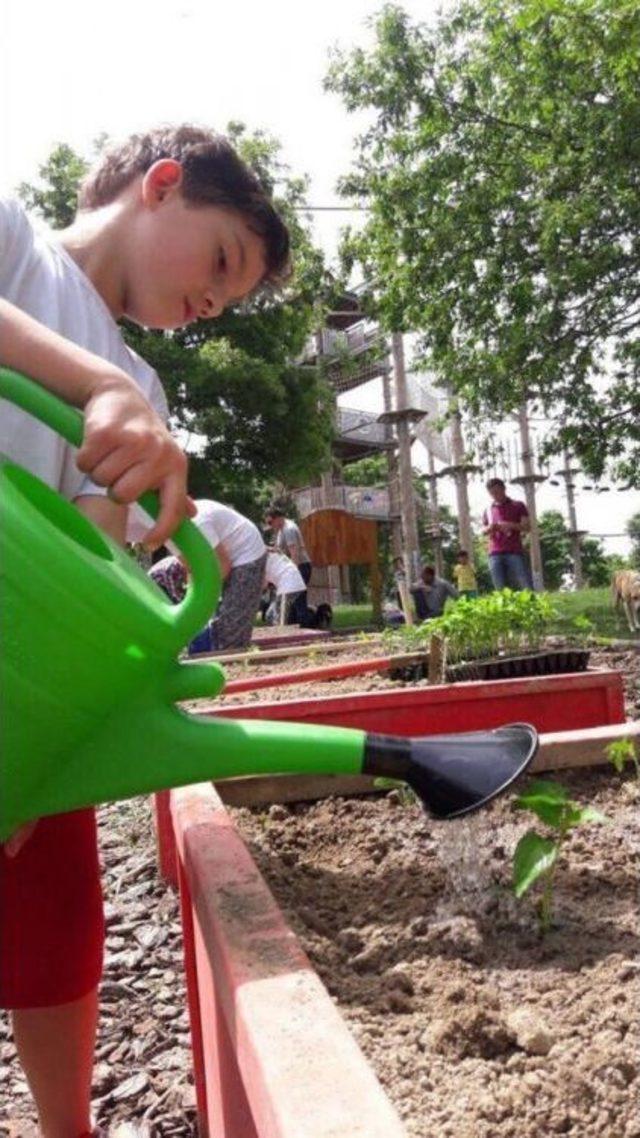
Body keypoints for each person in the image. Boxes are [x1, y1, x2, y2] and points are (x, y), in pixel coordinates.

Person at [0, 124, 290, 1138]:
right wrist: (97, 385)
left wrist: (40, 738)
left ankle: (65, 1125)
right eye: (220, 262)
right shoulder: (13, 241)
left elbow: (96, 559)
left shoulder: (146, 393)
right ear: (159, 186)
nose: (212, 304)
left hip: (20, 673)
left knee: (53, 904)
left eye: (229, 299)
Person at [264, 507, 312, 625]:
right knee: (293, 602)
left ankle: (305, 628)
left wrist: (293, 573)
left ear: (278, 518)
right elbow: (280, 550)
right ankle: (297, 628)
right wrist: (268, 549)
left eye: (270, 522)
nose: (270, 526)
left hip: (300, 567)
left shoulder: (289, 529)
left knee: (298, 601)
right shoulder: (282, 529)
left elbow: (294, 554)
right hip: (295, 568)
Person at [482, 478, 531, 591]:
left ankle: (533, 606)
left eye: (497, 491)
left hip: (514, 551)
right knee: (500, 588)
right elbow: (484, 531)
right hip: (494, 553)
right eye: (492, 493)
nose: (495, 495)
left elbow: (527, 527)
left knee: (524, 584)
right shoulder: (488, 510)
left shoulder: (518, 505)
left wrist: (510, 525)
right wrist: (490, 528)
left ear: (504, 489)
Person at [263, 548, 306, 625]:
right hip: (294, 583)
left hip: (288, 585)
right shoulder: (273, 555)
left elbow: (263, 585)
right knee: (272, 615)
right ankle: (280, 630)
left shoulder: (262, 561)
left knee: (276, 616)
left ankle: (280, 633)